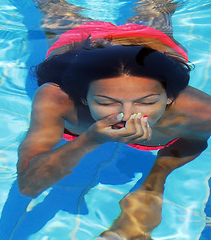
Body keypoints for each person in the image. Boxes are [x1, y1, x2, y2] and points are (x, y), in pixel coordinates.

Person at [17, 0, 211, 239]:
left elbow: (193, 141)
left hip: (148, 42)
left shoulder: (200, 111)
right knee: (51, 6)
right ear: (84, 98)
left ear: (170, 96)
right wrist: (89, 140)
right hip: (78, 42)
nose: (127, 115)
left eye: (148, 101)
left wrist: (155, 181)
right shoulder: (58, 99)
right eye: (106, 102)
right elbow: (28, 185)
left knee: (156, 7)